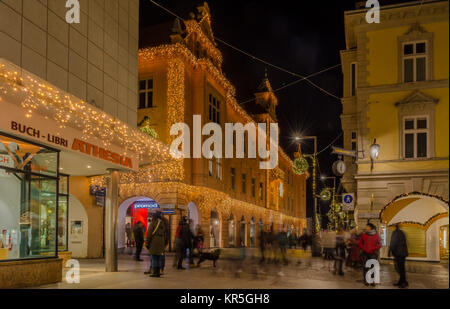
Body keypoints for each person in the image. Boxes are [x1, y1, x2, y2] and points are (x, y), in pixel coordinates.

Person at [146, 212, 167, 278]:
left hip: (154, 242)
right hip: (161, 242)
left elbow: (149, 234)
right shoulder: (163, 224)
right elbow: (165, 234)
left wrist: (147, 243)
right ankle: (158, 272)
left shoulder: (152, 224)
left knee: (154, 257)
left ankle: (155, 273)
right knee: (158, 258)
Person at [389, 224, 409, 288]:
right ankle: (402, 281)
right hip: (402, 253)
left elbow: (393, 243)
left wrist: (390, 251)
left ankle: (404, 283)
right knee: (401, 268)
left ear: (394, 227)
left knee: (400, 269)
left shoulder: (395, 233)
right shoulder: (401, 232)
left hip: (399, 253)